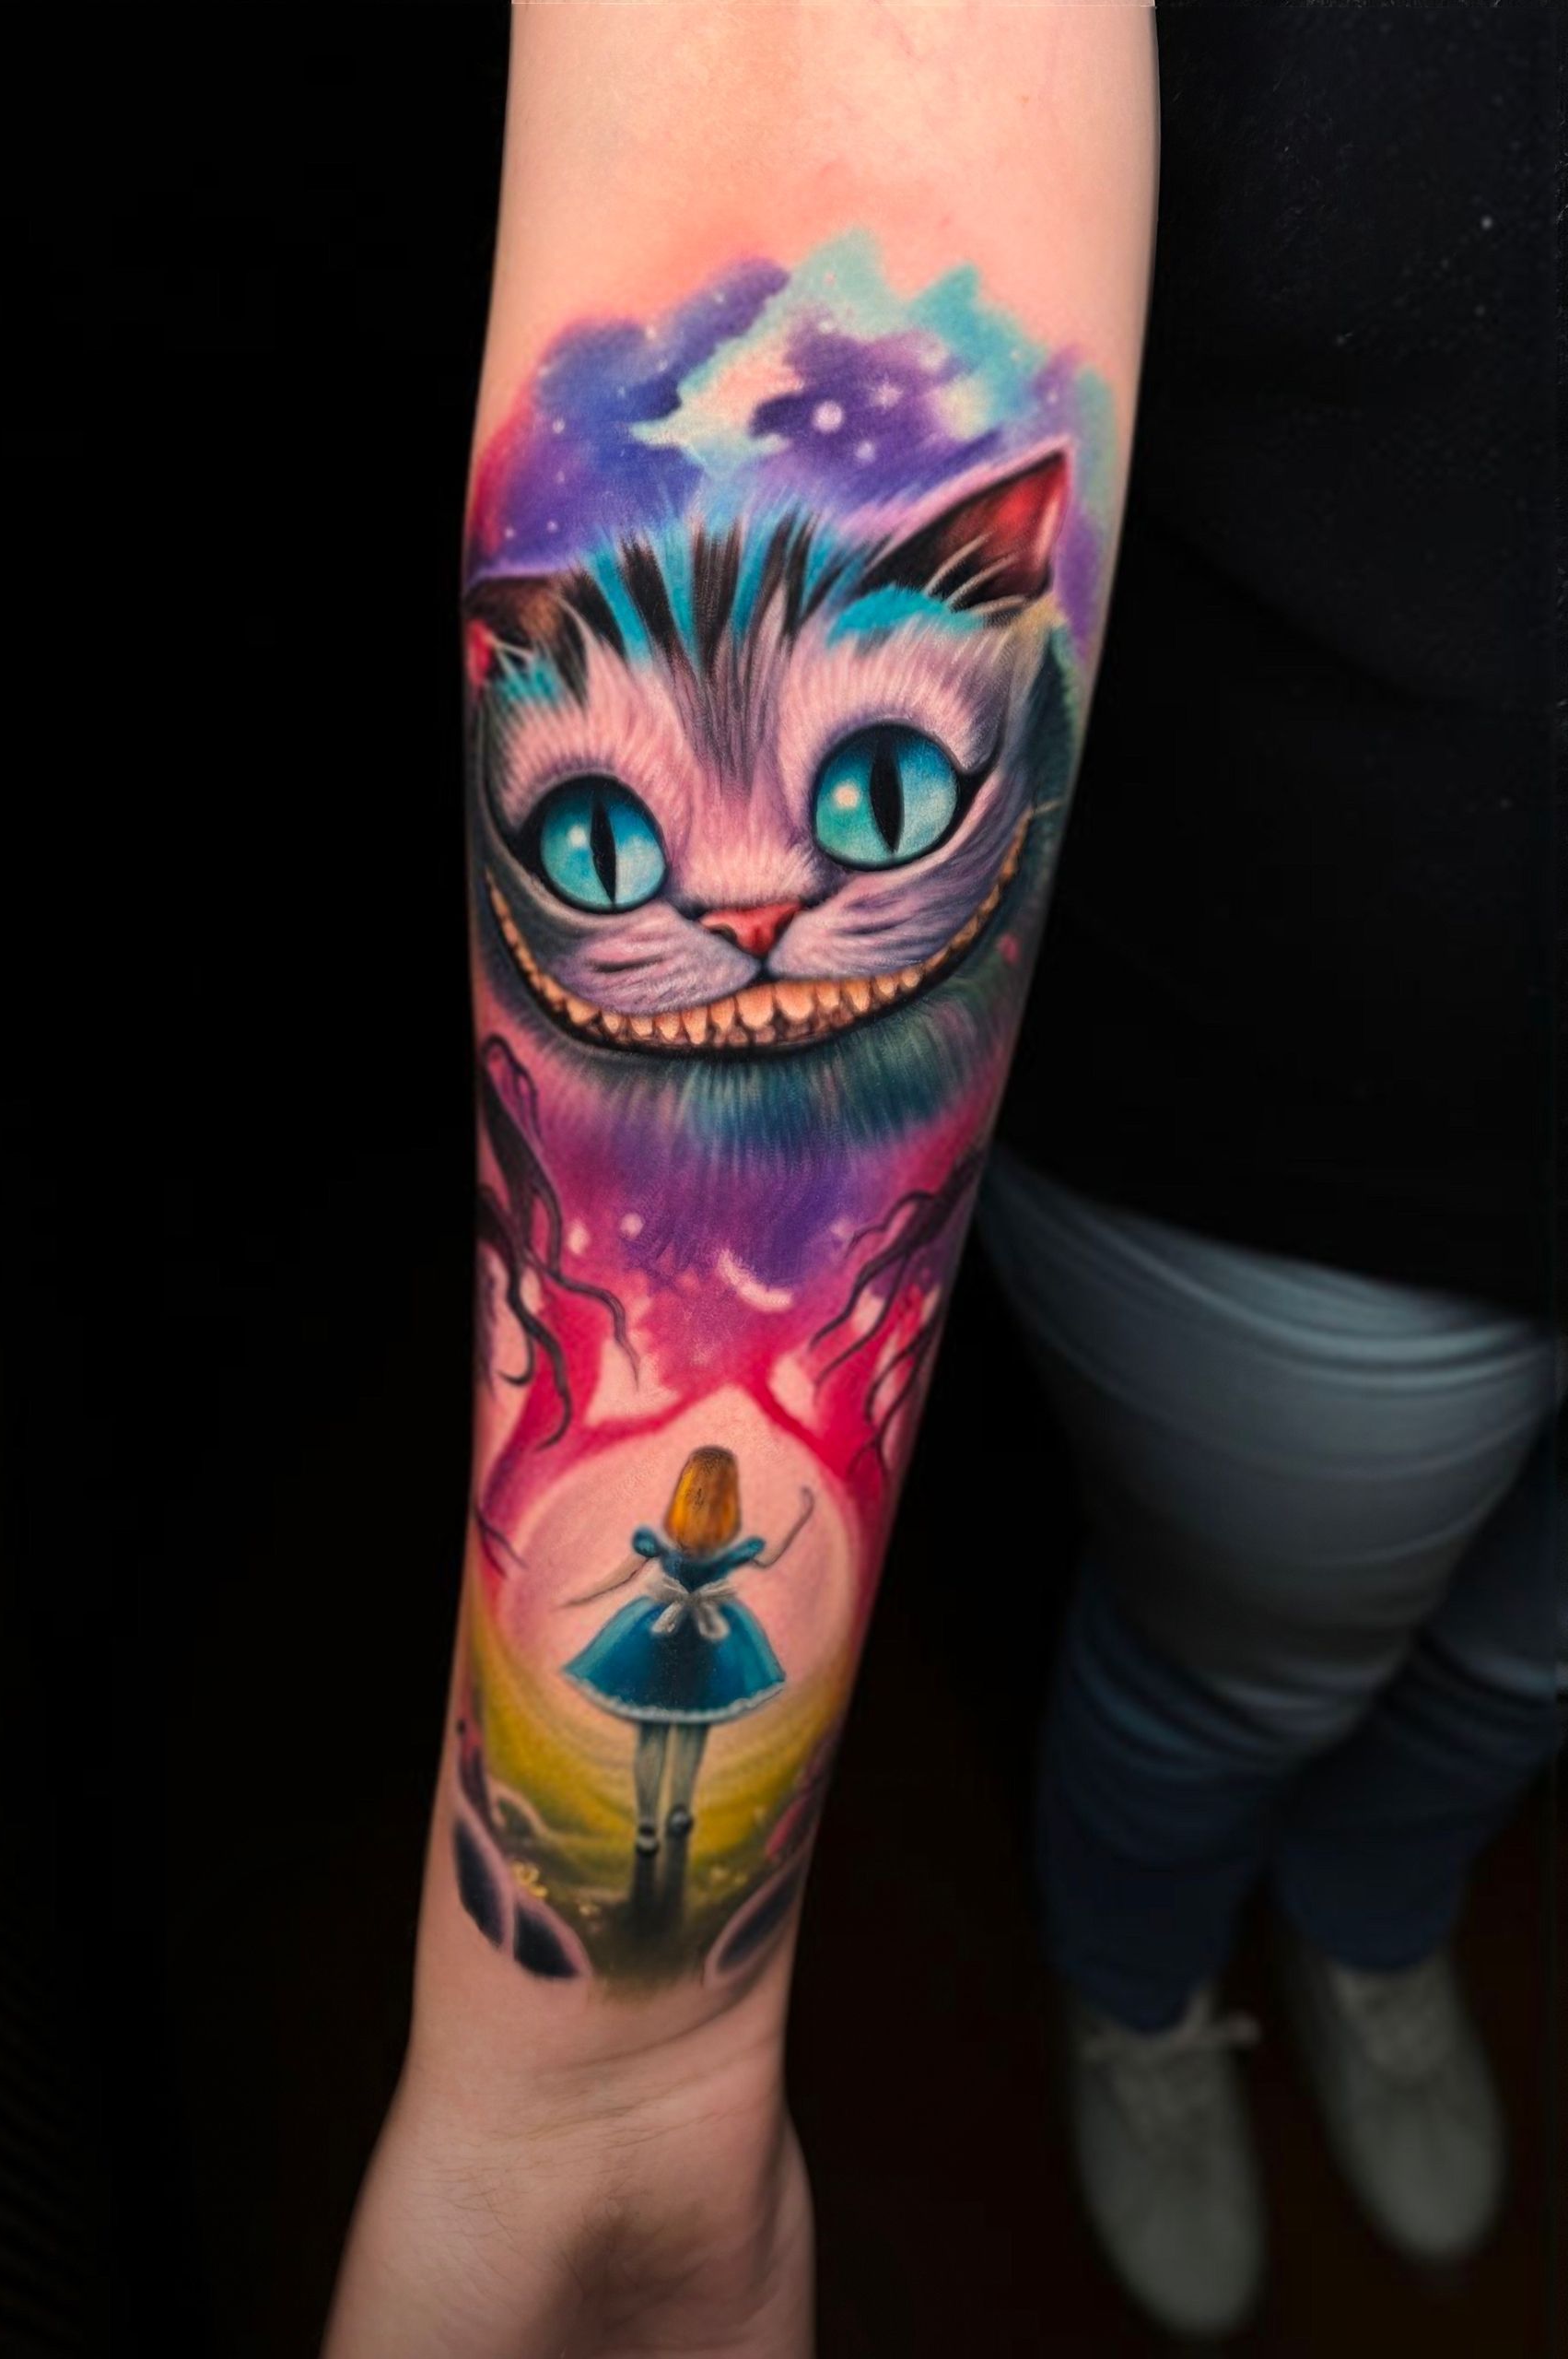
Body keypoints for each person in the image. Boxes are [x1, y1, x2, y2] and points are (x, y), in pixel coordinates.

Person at [321, 9, 1555, 2355]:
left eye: (865, 807)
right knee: (1249, 1652)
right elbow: (802, 117)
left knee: (1520, 1661)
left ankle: (1379, 1908)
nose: (755, 915)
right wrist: (617, 2072)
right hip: (1321, 1153)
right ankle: (1145, 1967)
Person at [562, 1449, 814, 1860]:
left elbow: (621, 1576)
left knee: (654, 1734)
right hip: (707, 1643)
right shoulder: (724, 1550)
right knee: (691, 1732)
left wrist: (584, 1596)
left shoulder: (662, 1545)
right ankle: (675, 1811)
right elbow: (771, 1556)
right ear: (729, 1499)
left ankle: (649, 1823)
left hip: (661, 1639)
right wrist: (799, 1519)